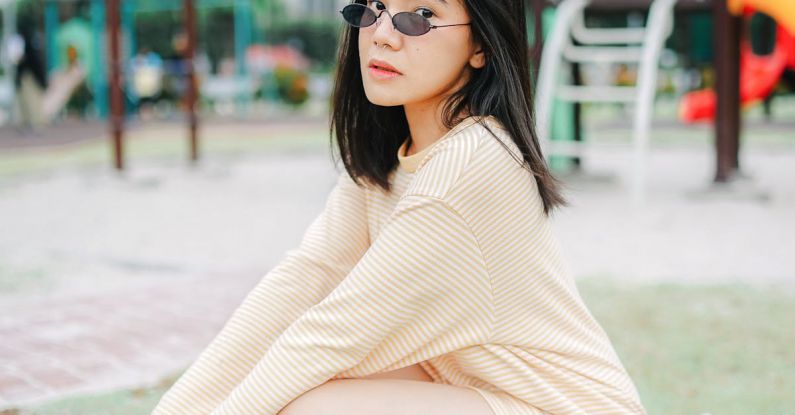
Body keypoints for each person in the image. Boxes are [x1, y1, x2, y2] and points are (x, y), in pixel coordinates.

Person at [151, 0, 647, 414]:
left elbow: (333, 333)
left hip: (562, 407)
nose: (384, 35)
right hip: (483, 393)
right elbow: (301, 283)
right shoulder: (391, 162)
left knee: (310, 405)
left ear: (480, 45)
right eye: (375, 8)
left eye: (420, 16)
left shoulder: (470, 165)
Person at [14, 22, 49, 134]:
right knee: (30, 101)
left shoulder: (27, 45)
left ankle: (34, 124)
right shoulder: (30, 44)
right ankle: (32, 124)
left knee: (31, 101)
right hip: (30, 76)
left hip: (29, 77)